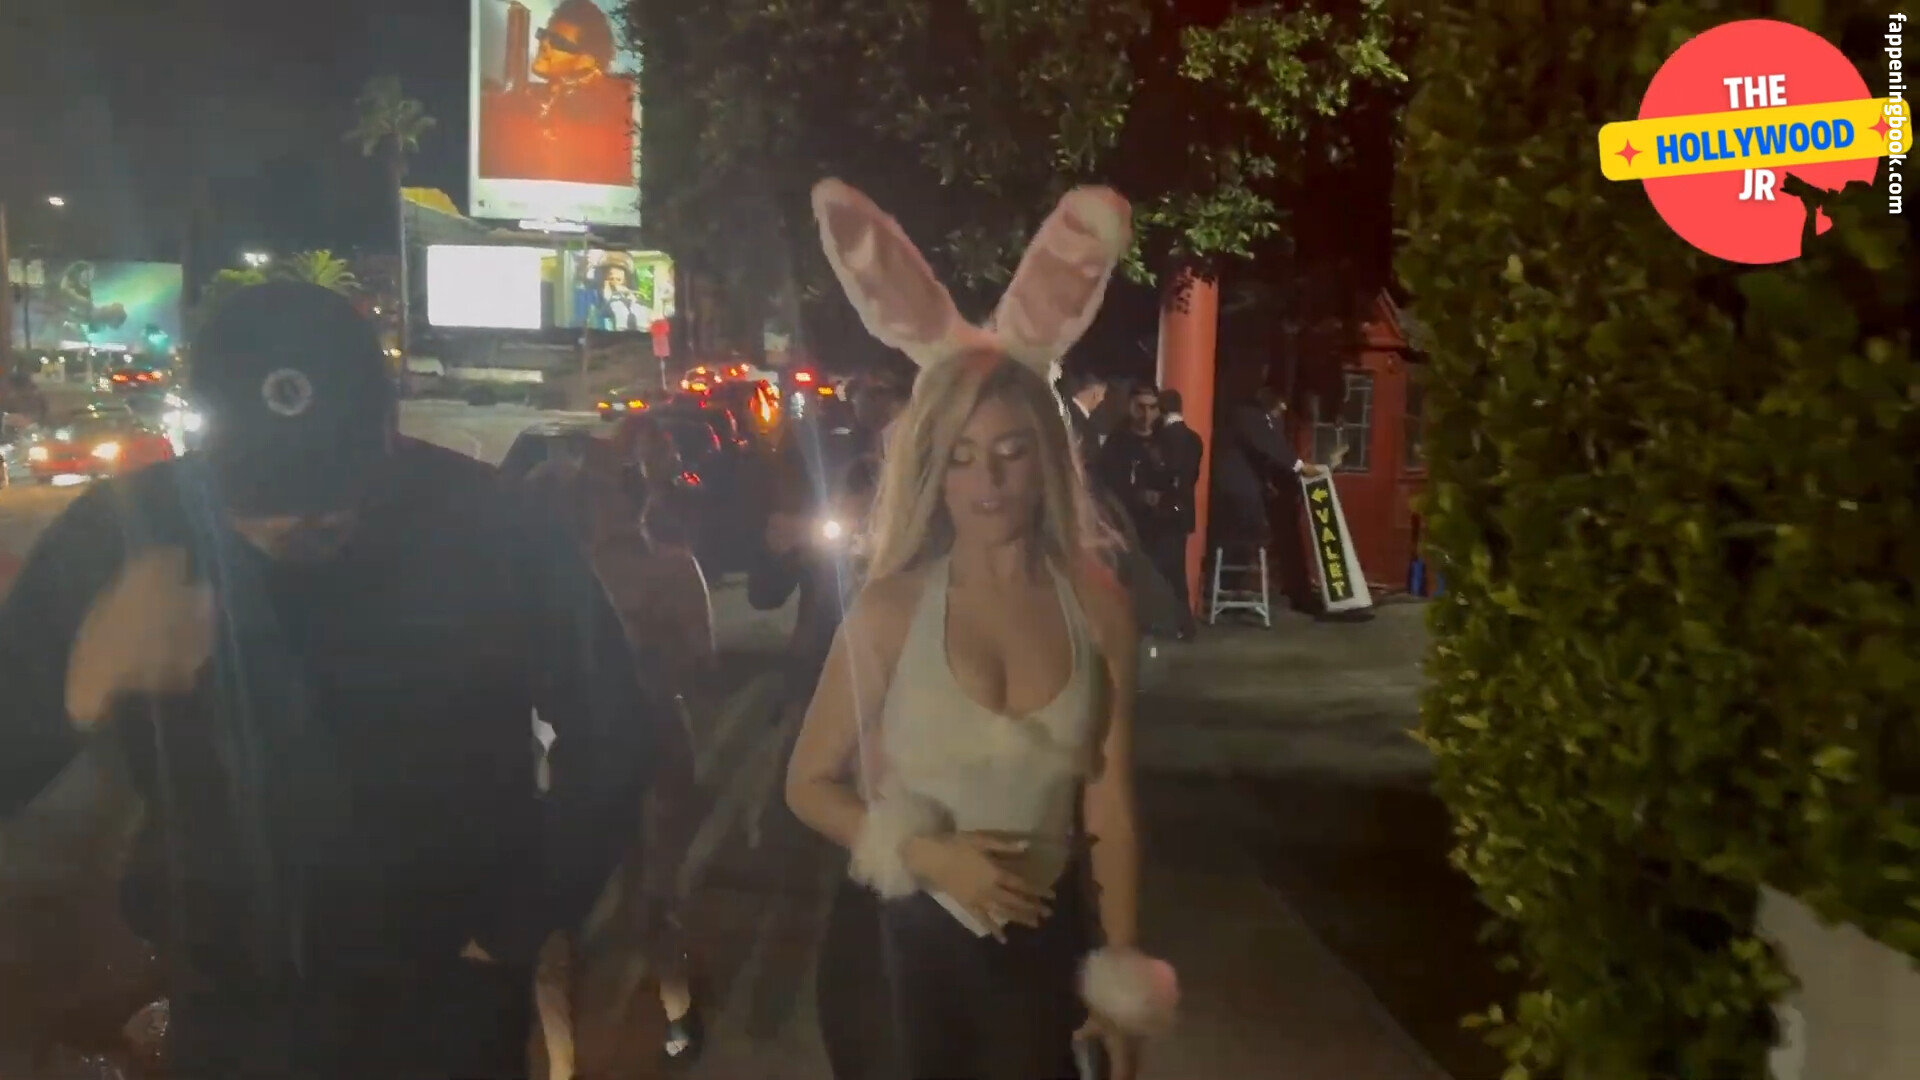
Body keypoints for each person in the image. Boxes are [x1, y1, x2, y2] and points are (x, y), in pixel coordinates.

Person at [0, 282, 658, 1080]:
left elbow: (611, 726)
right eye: (264, 498)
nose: (296, 522)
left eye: (329, 495)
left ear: (386, 437)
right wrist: (87, 679)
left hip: (448, 989)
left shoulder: (490, 523)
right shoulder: (125, 533)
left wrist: (519, 920)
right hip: (228, 993)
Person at [789, 179, 1177, 1080]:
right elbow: (807, 784)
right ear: (934, 468)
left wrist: (1119, 966)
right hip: (892, 954)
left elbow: (1108, 803)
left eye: (1010, 453)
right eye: (962, 457)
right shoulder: (890, 611)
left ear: (1046, 460)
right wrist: (929, 855)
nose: (988, 482)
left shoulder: (1098, 608)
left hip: (1038, 950)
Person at [530, 465, 711, 1077]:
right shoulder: (546, 580)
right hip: (565, 758)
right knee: (549, 926)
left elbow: (698, 662)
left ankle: (678, 1004)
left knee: (649, 901)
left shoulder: (671, 568)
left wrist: (638, 645)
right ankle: (563, 1066)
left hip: (649, 743)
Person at [477, 0, 636, 186]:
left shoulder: (608, 111)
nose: (543, 43)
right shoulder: (525, 97)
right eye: (543, 34)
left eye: (558, 42)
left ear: (586, 60)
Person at [1212, 383, 1325, 549]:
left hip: (1254, 486)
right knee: (1250, 530)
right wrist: (1299, 466)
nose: (1284, 407)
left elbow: (1277, 446)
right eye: (1280, 402)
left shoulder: (1271, 420)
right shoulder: (1247, 415)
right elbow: (1269, 445)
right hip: (1237, 487)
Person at [1152, 388, 1204, 636]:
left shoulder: (1161, 438)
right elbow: (1192, 477)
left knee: (1165, 569)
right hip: (1183, 510)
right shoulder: (1194, 439)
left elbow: (1161, 475)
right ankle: (1182, 623)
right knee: (1175, 567)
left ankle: (1178, 622)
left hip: (1162, 510)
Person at [1058, 367, 1109, 455]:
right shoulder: (1081, 423)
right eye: (1103, 394)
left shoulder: (1066, 408)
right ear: (1096, 394)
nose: (1102, 399)